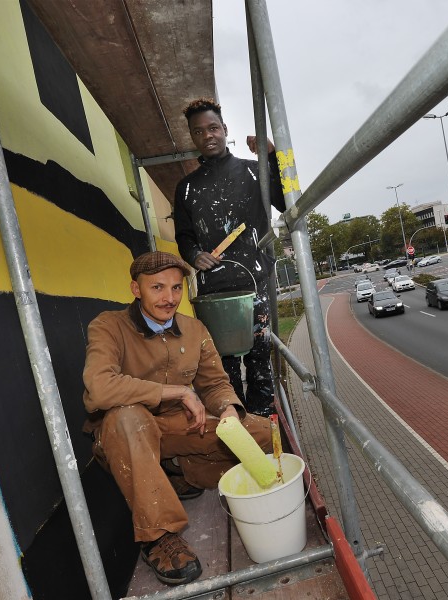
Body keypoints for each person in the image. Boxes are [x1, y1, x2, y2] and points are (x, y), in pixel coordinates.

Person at [82, 251, 272, 586]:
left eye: (176, 288)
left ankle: (181, 473)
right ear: (135, 289)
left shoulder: (195, 328)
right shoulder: (108, 325)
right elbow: (99, 388)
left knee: (263, 435)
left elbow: (215, 383)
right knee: (128, 418)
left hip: (181, 425)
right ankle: (159, 536)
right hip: (127, 436)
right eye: (157, 288)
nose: (169, 298)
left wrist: (228, 409)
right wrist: (180, 393)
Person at [174, 97, 286, 417]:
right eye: (199, 132)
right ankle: (237, 431)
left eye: (213, 128)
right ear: (193, 138)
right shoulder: (186, 188)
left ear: (225, 129)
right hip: (213, 293)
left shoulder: (255, 173)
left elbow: (287, 198)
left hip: (256, 286)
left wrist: (274, 155)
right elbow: (184, 236)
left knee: (260, 361)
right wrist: (194, 254)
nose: (207, 135)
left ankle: (263, 430)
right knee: (223, 369)